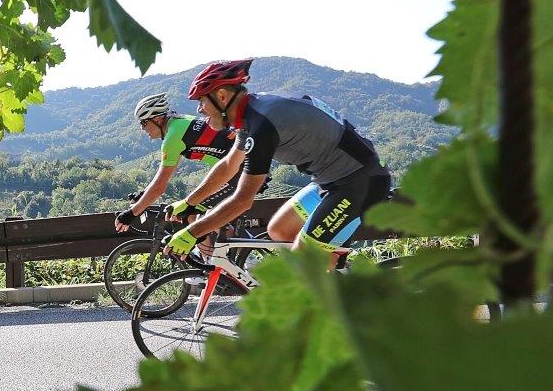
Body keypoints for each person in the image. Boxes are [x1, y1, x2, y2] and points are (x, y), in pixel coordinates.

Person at [164, 59, 391, 268]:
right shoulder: (250, 115)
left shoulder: (262, 125)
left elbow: (242, 200)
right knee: (280, 229)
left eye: (202, 101)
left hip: (359, 182)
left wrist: (191, 233)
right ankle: (336, 277)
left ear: (222, 96)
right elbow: (229, 165)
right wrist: (189, 201)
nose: (199, 110)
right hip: (330, 181)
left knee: (305, 263)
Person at [113, 92, 243, 234]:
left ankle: (229, 254)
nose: (142, 128)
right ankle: (229, 250)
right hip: (237, 169)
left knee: (188, 213)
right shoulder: (179, 123)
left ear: (157, 118)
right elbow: (166, 176)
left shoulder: (172, 138)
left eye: (144, 122)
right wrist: (144, 195)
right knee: (196, 214)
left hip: (238, 173)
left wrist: (131, 214)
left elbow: (159, 186)